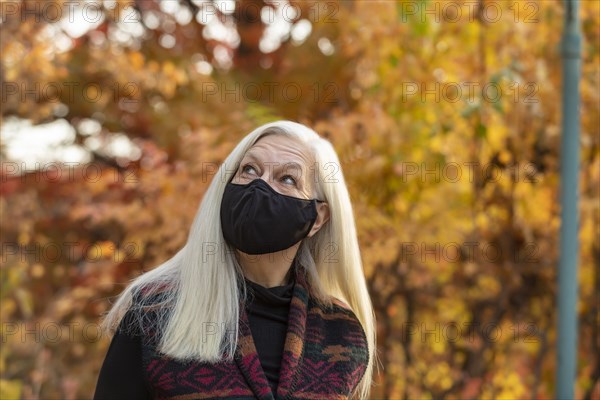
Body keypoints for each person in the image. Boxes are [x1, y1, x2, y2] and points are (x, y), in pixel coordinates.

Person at [93, 121, 377, 399]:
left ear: (318, 218)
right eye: (249, 169)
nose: (259, 186)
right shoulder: (157, 311)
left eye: (287, 179)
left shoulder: (341, 332)